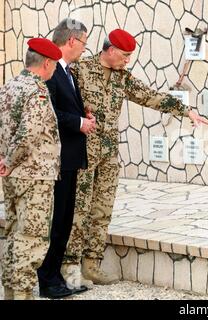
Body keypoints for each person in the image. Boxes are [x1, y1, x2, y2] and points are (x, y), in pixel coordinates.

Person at [61, 29, 208, 287]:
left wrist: (186, 112)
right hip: (83, 152)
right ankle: (69, 264)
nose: (128, 60)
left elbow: (150, 96)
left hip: (108, 154)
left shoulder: (122, 78)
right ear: (110, 50)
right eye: (125, 55)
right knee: (79, 208)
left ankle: (91, 264)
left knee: (102, 209)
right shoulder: (80, 70)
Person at [36, 18, 97, 299]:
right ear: (71, 41)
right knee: (56, 220)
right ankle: (47, 279)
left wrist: (82, 116)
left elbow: (65, 108)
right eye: (84, 42)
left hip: (70, 158)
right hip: (55, 160)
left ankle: (55, 276)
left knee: (65, 220)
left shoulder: (67, 72)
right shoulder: (50, 71)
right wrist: (77, 123)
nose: (85, 49)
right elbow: (49, 113)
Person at [0, 38, 62, 300]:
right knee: (32, 237)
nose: (55, 70)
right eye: (55, 65)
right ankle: (22, 294)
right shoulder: (36, 90)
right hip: (34, 174)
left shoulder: (9, 86)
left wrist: (6, 161)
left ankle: (11, 291)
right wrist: (11, 159)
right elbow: (29, 133)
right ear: (47, 63)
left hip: (13, 175)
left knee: (14, 234)